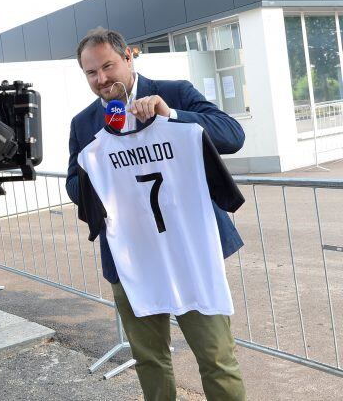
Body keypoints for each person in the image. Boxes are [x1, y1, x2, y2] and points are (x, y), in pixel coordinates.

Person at [66, 27, 247, 400]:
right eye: (91, 73)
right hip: (131, 257)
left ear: (129, 57)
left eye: (108, 66)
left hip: (188, 249)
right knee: (149, 359)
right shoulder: (85, 124)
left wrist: (173, 115)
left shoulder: (175, 91)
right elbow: (74, 185)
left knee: (215, 356)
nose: (101, 79)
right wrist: (100, 173)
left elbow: (232, 134)